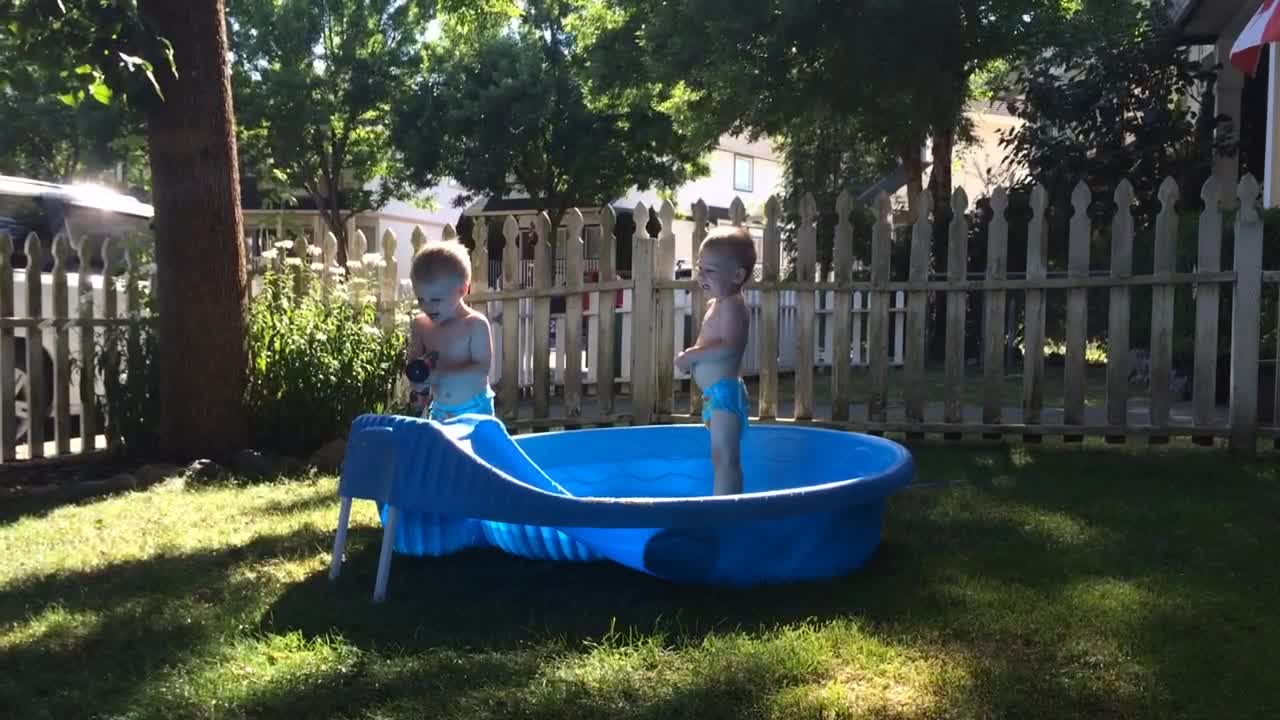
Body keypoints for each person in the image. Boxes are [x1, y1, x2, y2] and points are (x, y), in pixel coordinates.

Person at [675, 225, 756, 495]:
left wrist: (691, 356)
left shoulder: (734, 305)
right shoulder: (718, 305)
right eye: (700, 268)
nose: (701, 276)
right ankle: (723, 502)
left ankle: (729, 508)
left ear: (737, 275)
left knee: (726, 458)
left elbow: (728, 347)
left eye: (709, 271)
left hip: (725, 394)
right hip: (715, 395)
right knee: (720, 456)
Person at [406, 240, 494, 420]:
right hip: (439, 409)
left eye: (436, 299)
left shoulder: (474, 324)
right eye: (421, 299)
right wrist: (418, 383)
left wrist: (441, 376)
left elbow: (481, 369)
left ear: (462, 289)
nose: (428, 307)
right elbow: (414, 361)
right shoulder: (421, 325)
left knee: (475, 449)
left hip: (475, 409)